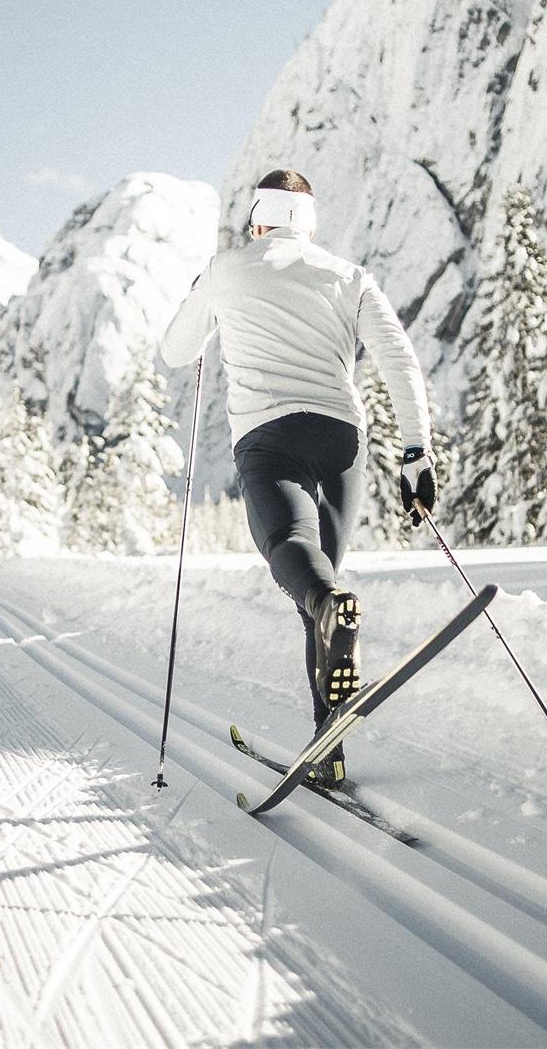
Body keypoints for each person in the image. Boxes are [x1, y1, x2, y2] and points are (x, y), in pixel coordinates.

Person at [161, 168, 437, 784]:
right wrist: (417, 453)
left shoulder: (227, 267)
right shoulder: (348, 276)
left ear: (257, 218)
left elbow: (176, 351)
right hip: (342, 438)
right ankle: (327, 747)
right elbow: (398, 359)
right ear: (309, 223)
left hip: (269, 438)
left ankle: (327, 712)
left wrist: (202, 293)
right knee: (323, 587)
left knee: (298, 560)